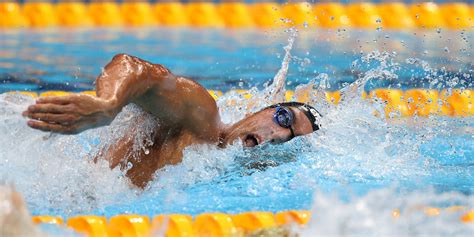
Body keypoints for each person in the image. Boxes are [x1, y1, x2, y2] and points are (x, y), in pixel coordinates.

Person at [23, 54, 321, 188]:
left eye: (289, 138)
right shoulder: (202, 118)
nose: (276, 135)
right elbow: (137, 69)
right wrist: (108, 104)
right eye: (283, 117)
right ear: (261, 110)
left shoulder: (219, 176)